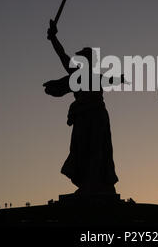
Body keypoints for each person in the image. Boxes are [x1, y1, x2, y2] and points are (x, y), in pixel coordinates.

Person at [44, 19, 119, 194]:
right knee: (81, 149)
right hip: (84, 117)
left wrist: (120, 78)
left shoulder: (95, 77)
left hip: (96, 116)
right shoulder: (77, 75)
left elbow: (111, 80)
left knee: (97, 148)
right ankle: (88, 183)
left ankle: (97, 184)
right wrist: (53, 38)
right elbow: (62, 55)